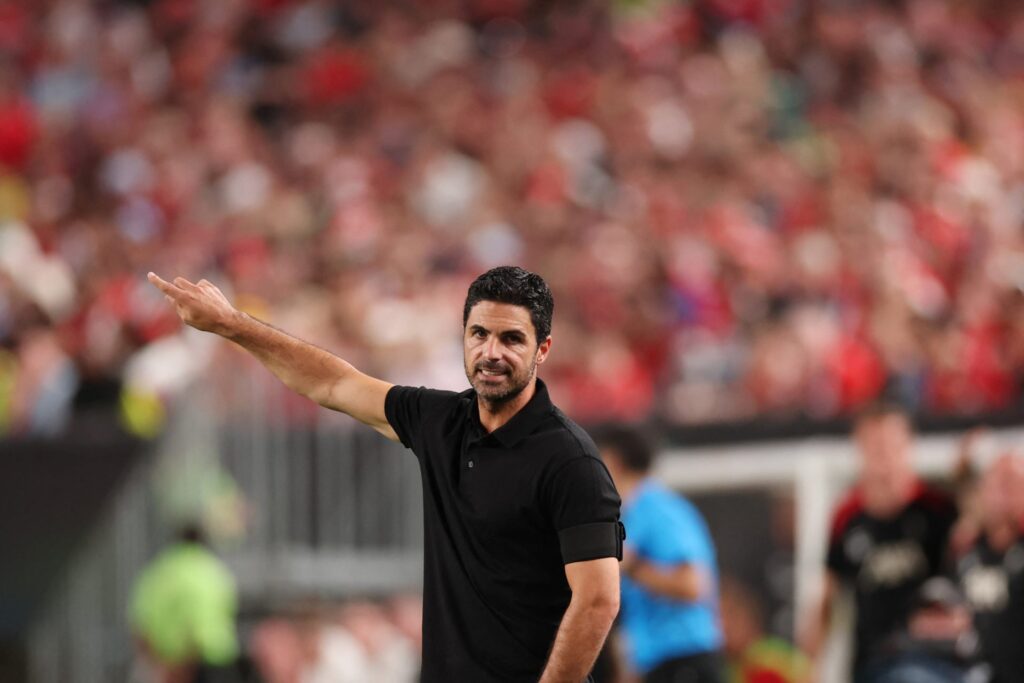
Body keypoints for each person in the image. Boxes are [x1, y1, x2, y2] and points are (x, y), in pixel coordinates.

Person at [148, 265, 624, 683]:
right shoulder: (440, 422)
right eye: (479, 333)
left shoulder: (570, 462)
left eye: (512, 338)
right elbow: (332, 381)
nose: (491, 352)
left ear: (543, 349)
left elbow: (598, 600)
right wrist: (233, 326)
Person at [801, 403, 959, 683]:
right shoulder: (847, 517)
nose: (884, 457)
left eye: (890, 445)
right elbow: (828, 597)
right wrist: (809, 665)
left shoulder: (938, 510)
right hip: (871, 662)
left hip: (931, 660)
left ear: (908, 446)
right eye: (875, 447)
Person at [594, 424, 724, 683]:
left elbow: (693, 585)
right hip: (659, 663)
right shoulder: (632, 514)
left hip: (684, 658)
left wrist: (632, 567)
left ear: (614, 460)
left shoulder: (659, 510)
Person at [130, 524, 239, 683]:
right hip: (218, 660)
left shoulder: (159, 572)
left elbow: (141, 622)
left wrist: (154, 662)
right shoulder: (216, 571)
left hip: (176, 664)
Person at [954, 453, 1024, 683]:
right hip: (962, 666)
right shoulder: (966, 549)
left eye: (1014, 483)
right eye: (999, 484)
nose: (1005, 495)